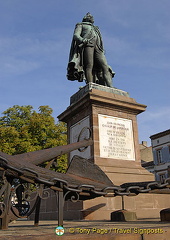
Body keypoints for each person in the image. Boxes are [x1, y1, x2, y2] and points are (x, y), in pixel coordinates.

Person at [67, 13, 115, 87]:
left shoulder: (95, 28)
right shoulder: (80, 25)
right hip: (88, 45)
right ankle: (90, 84)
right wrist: (82, 40)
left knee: (105, 66)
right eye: (90, 17)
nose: (92, 18)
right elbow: (76, 35)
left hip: (98, 48)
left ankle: (110, 86)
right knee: (89, 65)